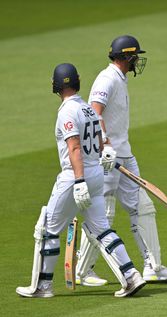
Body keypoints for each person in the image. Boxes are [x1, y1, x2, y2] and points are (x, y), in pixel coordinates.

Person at [16, 63, 146, 298]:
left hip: (75, 177)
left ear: (56, 85)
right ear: (77, 82)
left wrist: (78, 181)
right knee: (102, 230)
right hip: (96, 174)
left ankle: (42, 286)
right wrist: (105, 151)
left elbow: (74, 147)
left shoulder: (67, 111)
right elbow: (99, 139)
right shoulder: (87, 108)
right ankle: (131, 276)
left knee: (48, 229)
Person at [75, 35, 167, 286]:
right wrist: (105, 145)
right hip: (108, 158)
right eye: (135, 56)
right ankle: (83, 270)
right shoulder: (107, 78)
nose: (137, 61)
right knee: (104, 214)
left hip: (125, 155)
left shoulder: (120, 78)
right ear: (126, 57)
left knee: (143, 207)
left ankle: (153, 266)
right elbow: (93, 111)